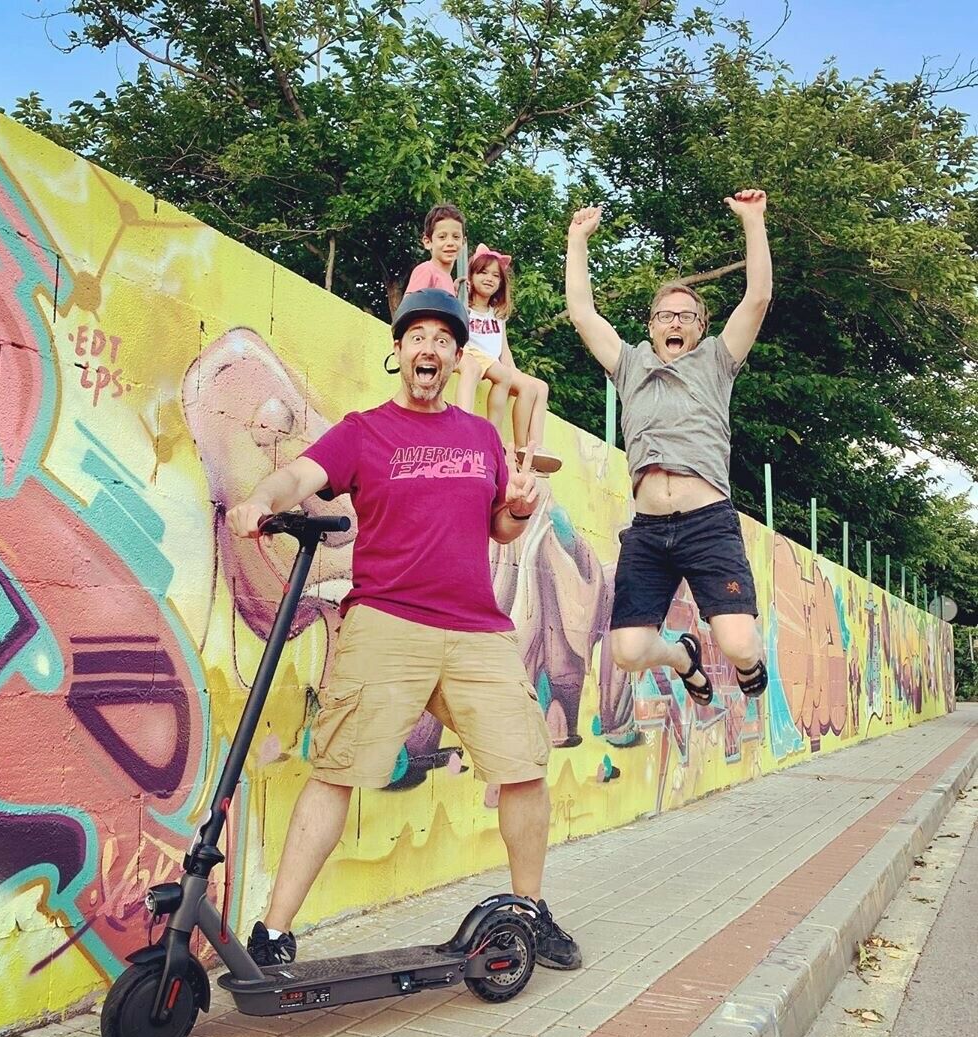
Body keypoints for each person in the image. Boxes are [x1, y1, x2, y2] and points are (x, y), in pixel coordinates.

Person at [226, 287, 582, 971]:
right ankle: (273, 931)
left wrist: (518, 508)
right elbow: (298, 477)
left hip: (477, 630)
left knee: (524, 767)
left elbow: (500, 527)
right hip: (386, 622)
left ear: (454, 358)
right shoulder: (365, 431)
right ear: (398, 351)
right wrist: (258, 501)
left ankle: (531, 912)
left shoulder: (481, 436)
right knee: (336, 770)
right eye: (418, 337)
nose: (430, 349)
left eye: (444, 340)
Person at [565, 190, 772, 704]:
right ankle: (683, 657)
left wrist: (753, 221)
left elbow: (757, 299)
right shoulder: (629, 364)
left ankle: (749, 661)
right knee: (628, 651)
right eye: (665, 315)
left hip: (708, 524)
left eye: (685, 316)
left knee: (740, 645)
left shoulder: (717, 361)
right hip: (649, 531)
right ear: (652, 326)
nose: (675, 322)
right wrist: (577, 239)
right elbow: (582, 313)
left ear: (701, 328)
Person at [460, 244, 563, 474]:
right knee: (521, 384)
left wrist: (517, 374)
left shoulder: (497, 314)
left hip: (496, 364)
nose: (489, 278)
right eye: (483, 272)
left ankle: (533, 448)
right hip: (473, 357)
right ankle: (516, 447)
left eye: (496, 275)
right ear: (471, 276)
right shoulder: (464, 308)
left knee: (539, 387)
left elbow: (504, 351)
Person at [404, 203, 465, 297]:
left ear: (463, 242)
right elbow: (410, 303)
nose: (450, 243)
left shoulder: (448, 279)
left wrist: (454, 297)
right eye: (442, 237)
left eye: (456, 237)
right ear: (428, 242)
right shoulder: (427, 270)